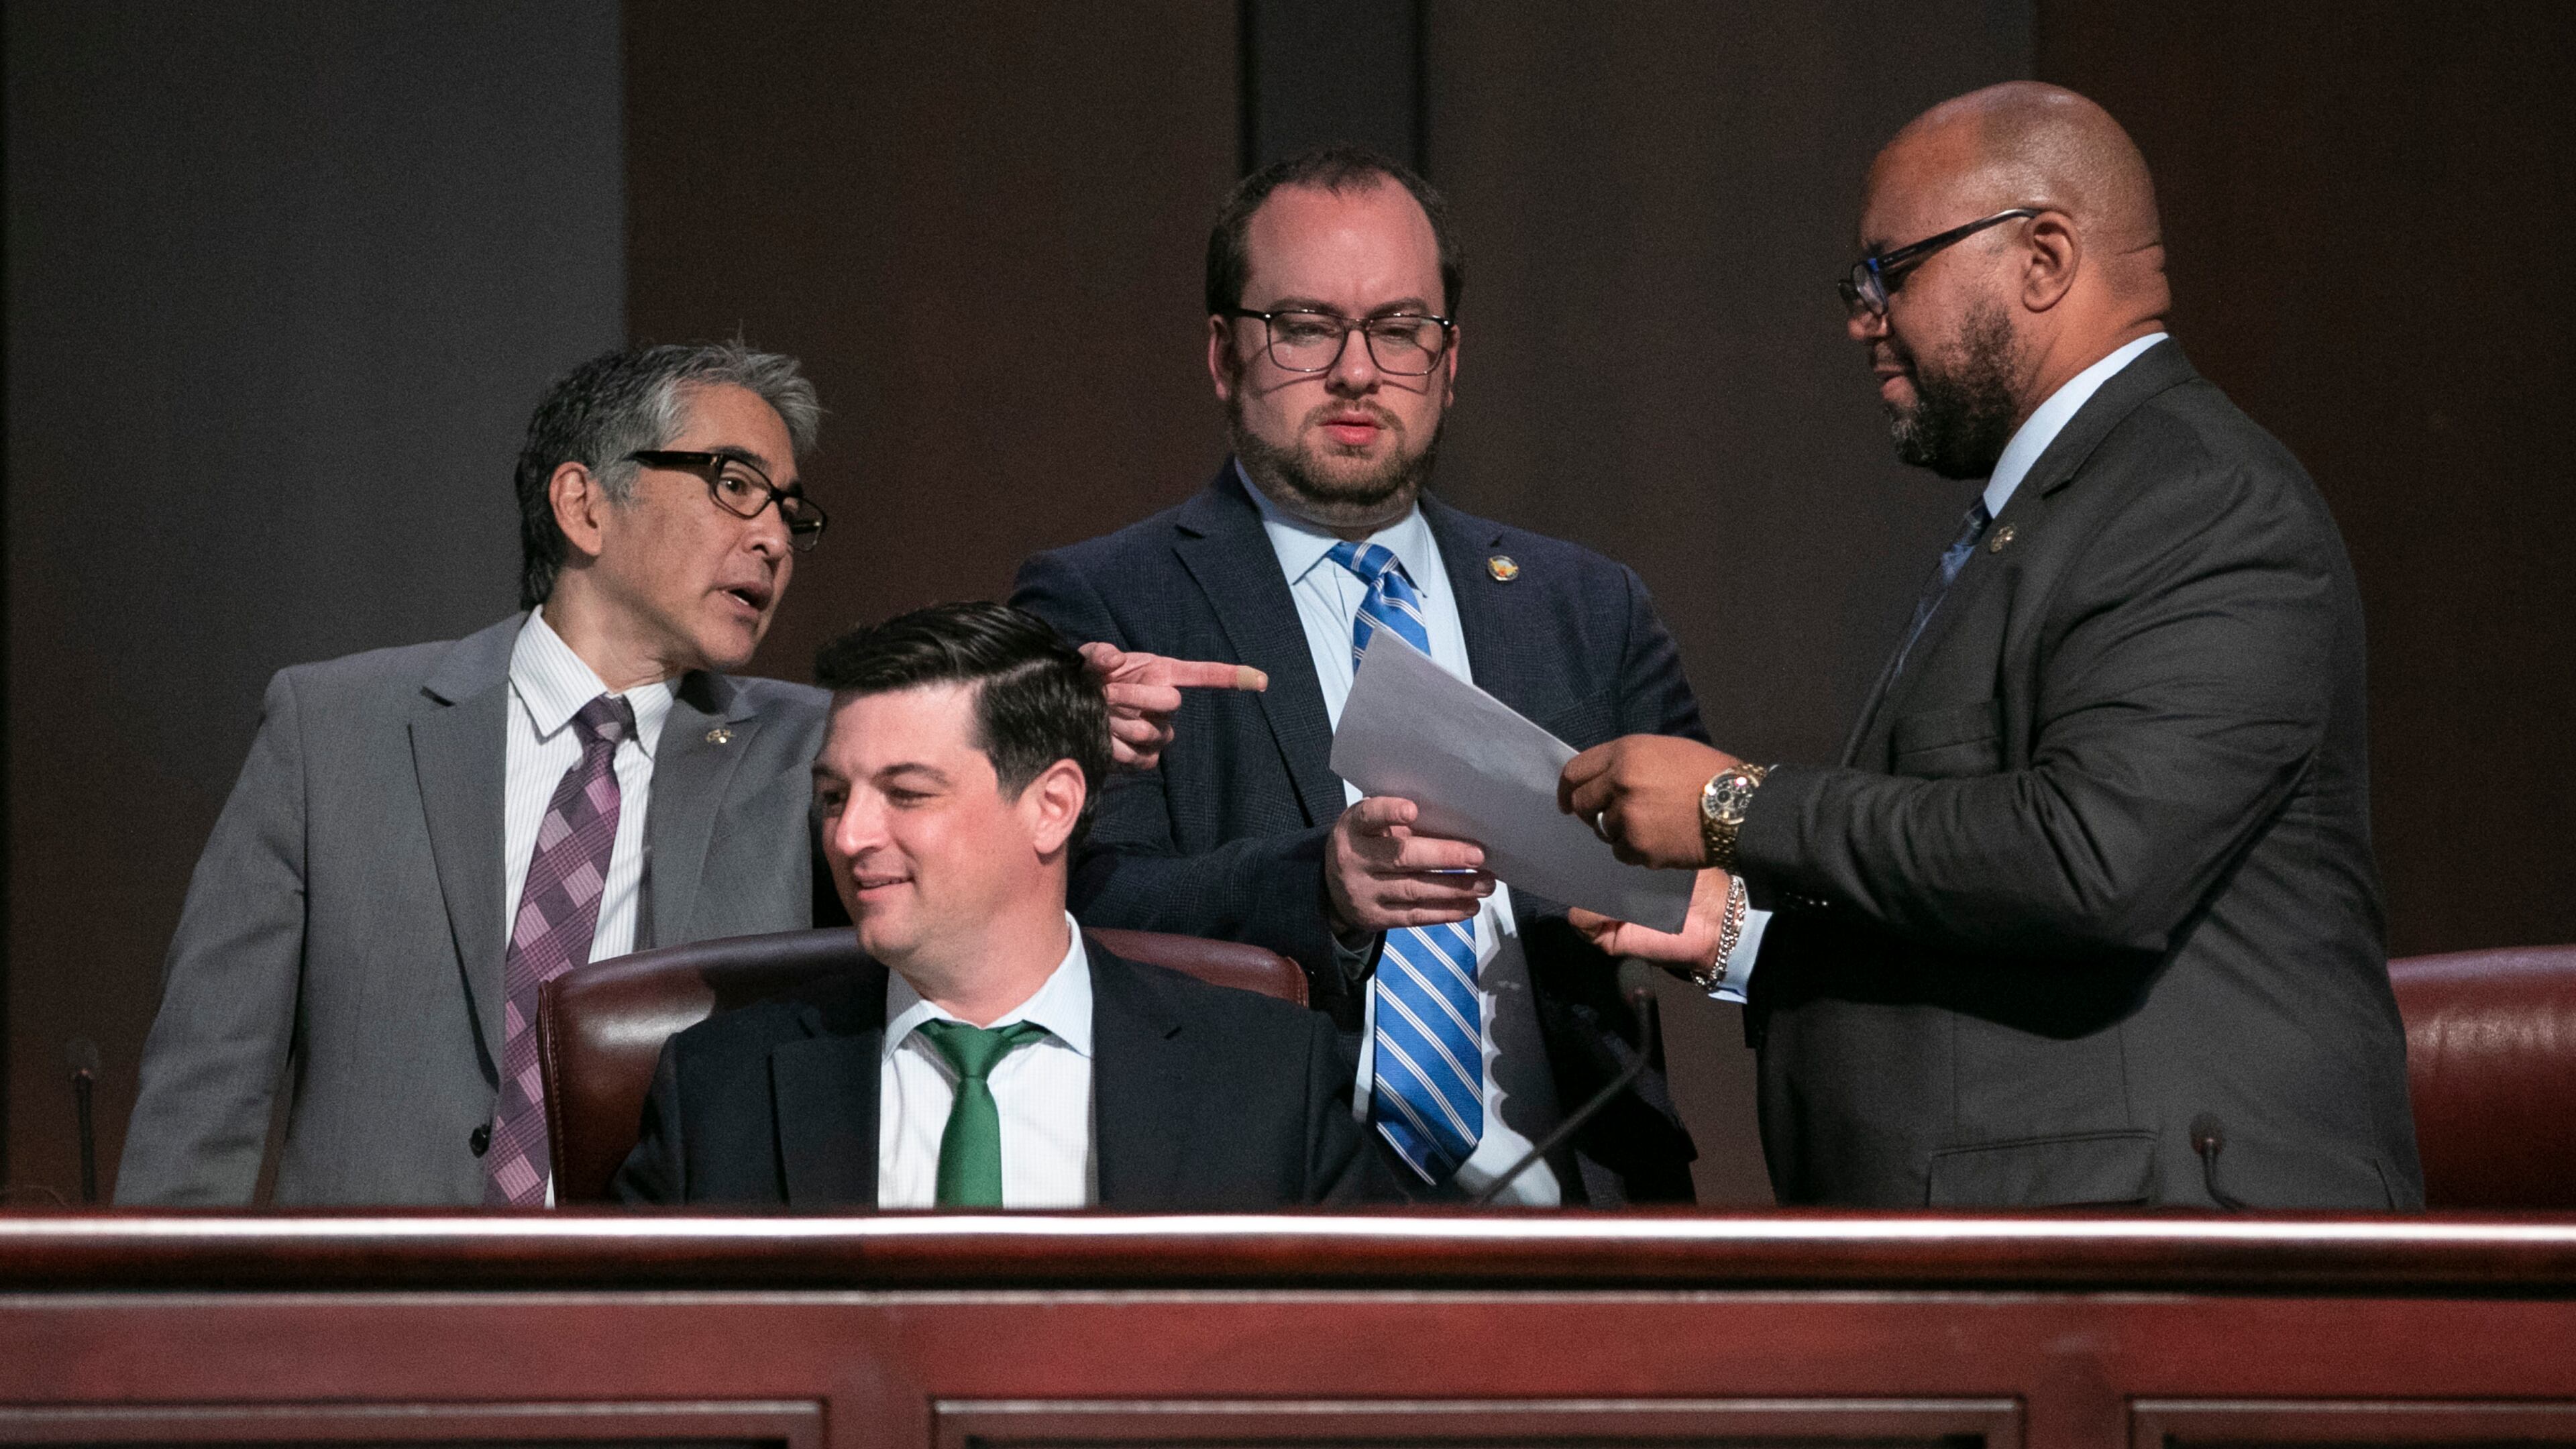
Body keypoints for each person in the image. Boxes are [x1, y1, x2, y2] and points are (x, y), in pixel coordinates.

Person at [1561, 83, 2423, 1210]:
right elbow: (1999, 923)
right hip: (2039, 1263)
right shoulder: (2072, 507)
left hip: (2158, 1273)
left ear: (2045, 257)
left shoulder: (2198, 499)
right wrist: (1745, 936)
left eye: (1892, 273)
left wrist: (1738, 809)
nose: (1862, 316)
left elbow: (2089, 860)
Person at [1013, 146, 1719, 1205]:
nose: (1356, 371)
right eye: (1304, 327)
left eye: (1399, 330)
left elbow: (1726, 885)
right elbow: (1068, 916)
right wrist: (1321, 890)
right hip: (1263, 1219)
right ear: (1223, 353)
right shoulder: (1103, 605)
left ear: (1450, 358)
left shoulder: (1587, 607)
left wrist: (1709, 919)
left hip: (1573, 1210)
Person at [119, 343, 838, 1206]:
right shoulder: (332, 731)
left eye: (789, 513)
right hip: (375, 1319)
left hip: (664, 1323)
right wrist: (164, 1331)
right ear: (584, 506)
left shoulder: (814, 755)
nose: (771, 537)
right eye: (733, 485)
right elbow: (208, 1090)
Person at [614, 602, 1389, 1209]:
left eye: (907, 794)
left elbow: (1348, 1374)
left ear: (1052, 805)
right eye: (833, 796)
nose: (849, 836)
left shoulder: (1262, 1076)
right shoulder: (721, 1087)